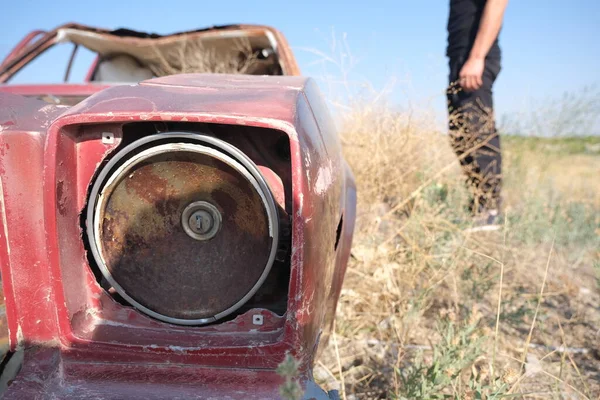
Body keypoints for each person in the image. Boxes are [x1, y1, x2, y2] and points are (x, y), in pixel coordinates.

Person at [446, 0, 508, 230]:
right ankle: (479, 206)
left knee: (477, 130)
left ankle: (489, 210)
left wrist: (477, 57)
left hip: (475, 57)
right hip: (461, 57)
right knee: (460, 135)